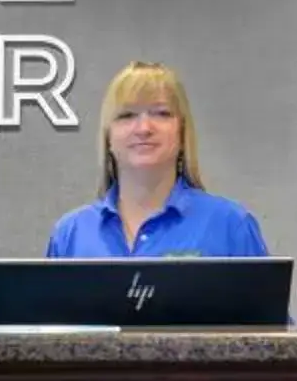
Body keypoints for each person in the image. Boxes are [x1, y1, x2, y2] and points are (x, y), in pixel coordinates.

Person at [45, 60, 271, 259]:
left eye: (161, 113)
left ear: (182, 132)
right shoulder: (70, 235)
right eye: (127, 115)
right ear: (108, 137)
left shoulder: (230, 226)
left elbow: (266, 309)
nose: (144, 128)